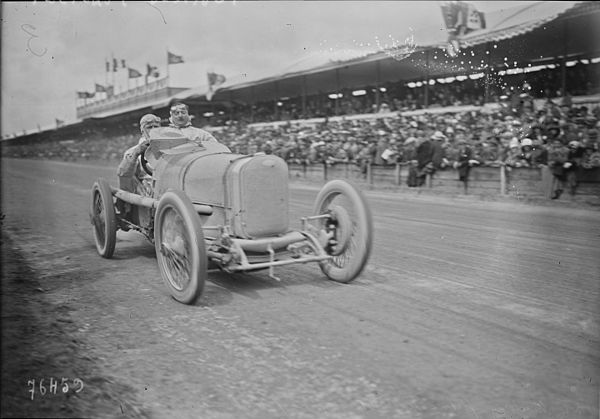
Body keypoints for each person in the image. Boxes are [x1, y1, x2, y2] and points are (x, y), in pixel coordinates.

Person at [117, 113, 162, 193]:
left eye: (156, 127)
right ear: (142, 131)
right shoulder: (132, 152)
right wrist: (135, 154)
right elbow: (124, 175)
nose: (153, 129)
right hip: (145, 190)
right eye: (149, 127)